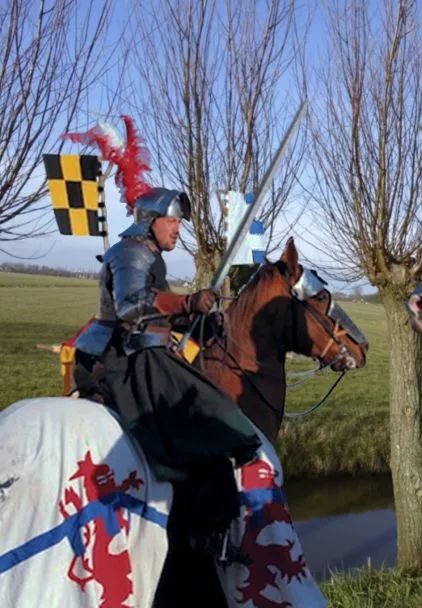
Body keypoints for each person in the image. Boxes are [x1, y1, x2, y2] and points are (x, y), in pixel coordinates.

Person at [65, 117, 261, 574]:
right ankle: (201, 530)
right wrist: (187, 301)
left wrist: (198, 313)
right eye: (173, 221)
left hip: (143, 350)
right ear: (151, 221)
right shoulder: (132, 253)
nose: (178, 230)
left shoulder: (149, 254)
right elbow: (132, 306)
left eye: (179, 222)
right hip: (122, 356)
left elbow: (160, 310)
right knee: (204, 415)